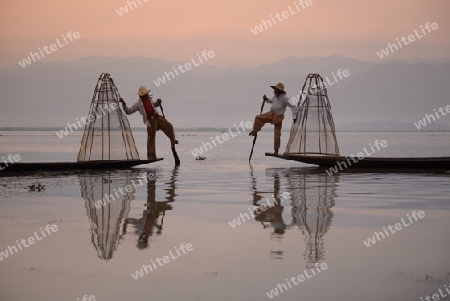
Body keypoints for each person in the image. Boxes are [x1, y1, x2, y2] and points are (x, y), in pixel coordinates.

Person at [119, 86, 178, 160]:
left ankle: (173, 140)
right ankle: (151, 156)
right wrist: (123, 103)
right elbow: (128, 111)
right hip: (150, 121)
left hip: (158, 117)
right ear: (142, 95)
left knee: (170, 126)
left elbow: (154, 105)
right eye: (146, 94)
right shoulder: (138, 104)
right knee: (151, 138)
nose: (147, 95)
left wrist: (158, 103)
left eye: (147, 94)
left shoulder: (149, 99)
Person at [249, 83, 297, 155]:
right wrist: (266, 99)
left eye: (275, 89)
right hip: (271, 114)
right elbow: (272, 101)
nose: (274, 90)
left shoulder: (285, 98)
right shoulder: (275, 96)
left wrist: (294, 117)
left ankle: (276, 151)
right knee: (258, 117)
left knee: (277, 134)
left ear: (279, 90)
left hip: (278, 117)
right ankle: (254, 131)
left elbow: (293, 106)